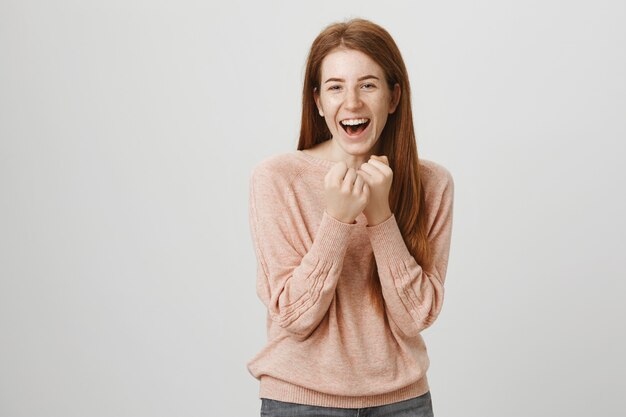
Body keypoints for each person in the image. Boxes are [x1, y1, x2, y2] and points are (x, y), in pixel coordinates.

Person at [247, 17, 454, 417]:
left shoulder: (432, 183)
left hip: (403, 402)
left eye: (368, 85)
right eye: (335, 87)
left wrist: (381, 218)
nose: (352, 102)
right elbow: (294, 316)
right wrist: (337, 221)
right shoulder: (276, 178)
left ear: (394, 98)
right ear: (318, 102)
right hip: (299, 401)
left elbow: (416, 317)